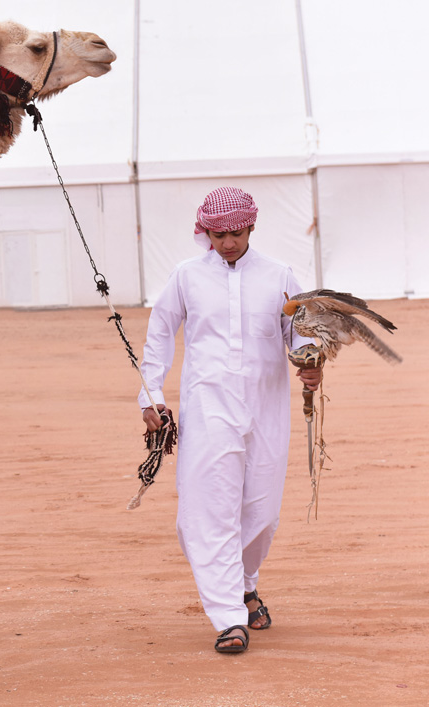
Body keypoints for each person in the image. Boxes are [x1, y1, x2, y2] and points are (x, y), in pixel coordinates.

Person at [138, 187, 322, 653]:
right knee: (207, 509)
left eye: (235, 233)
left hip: (266, 408)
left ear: (250, 227)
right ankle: (227, 617)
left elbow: (299, 332)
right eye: (218, 234)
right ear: (206, 231)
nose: (227, 243)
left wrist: (310, 363)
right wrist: (151, 396)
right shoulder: (186, 277)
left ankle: (244, 582)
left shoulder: (280, 275)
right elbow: (159, 336)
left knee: (261, 513)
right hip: (208, 408)